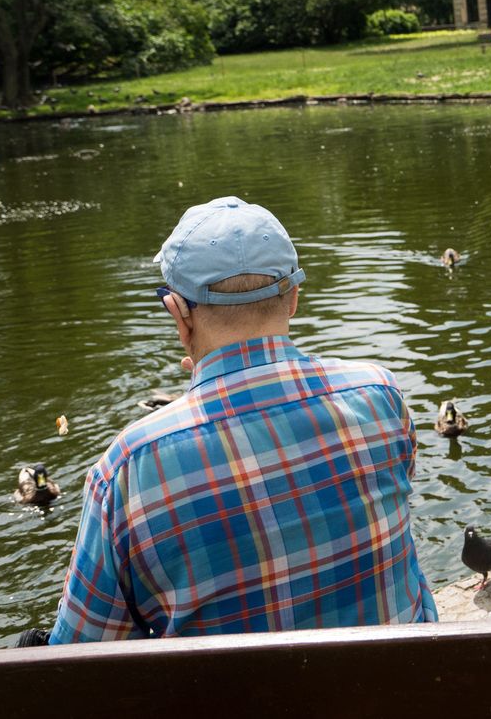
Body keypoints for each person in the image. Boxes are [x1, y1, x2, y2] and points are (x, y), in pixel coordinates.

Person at [49, 197, 436, 642]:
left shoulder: (129, 467)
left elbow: (79, 652)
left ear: (177, 311)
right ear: (292, 299)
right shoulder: (378, 396)